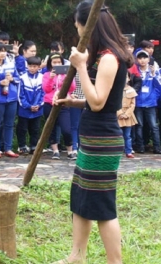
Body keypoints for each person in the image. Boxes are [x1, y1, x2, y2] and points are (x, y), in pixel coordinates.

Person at [53, 1, 135, 263]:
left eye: (77, 28)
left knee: (102, 205)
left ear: (86, 27)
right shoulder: (103, 55)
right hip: (93, 136)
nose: (78, 34)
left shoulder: (109, 57)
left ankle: (115, 261)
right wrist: (72, 102)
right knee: (81, 196)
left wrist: (79, 67)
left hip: (103, 138)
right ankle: (77, 256)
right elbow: (98, 100)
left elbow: (99, 102)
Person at [0, 42, 20, 158]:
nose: (2, 54)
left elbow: (18, 78)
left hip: (11, 97)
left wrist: (12, 79)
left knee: (10, 124)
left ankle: (8, 148)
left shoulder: (10, 64)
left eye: (4, 51)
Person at [42, 53, 76, 160]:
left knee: (66, 129)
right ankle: (55, 151)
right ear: (50, 64)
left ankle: (70, 151)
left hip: (63, 103)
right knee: (51, 128)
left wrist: (67, 77)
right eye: (54, 62)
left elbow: (72, 88)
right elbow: (46, 89)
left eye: (59, 62)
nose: (57, 64)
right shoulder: (47, 74)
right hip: (49, 103)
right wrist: (51, 78)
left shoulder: (67, 74)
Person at [132, 50, 161, 154]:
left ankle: (157, 147)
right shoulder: (135, 72)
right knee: (139, 125)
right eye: (140, 58)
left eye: (145, 58)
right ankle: (140, 147)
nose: (142, 60)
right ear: (137, 59)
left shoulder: (154, 71)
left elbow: (159, 87)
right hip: (138, 102)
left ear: (149, 59)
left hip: (151, 103)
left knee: (154, 126)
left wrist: (154, 97)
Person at [16, 56, 44, 155]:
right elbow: (20, 95)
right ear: (27, 66)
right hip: (24, 109)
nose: (32, 68)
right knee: (22, 129)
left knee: (35, 129)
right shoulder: (22, 77)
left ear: (39, 67)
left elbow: (43, 93)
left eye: (35, 66)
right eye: (30, 66)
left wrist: (39, 105)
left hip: (38, 109)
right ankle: (22, 146)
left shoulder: (42, 77)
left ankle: (33, 146)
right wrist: (28, 106)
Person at [117, 74, 138, 158]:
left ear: (129, 78)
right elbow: (114, 103)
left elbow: (133, 105)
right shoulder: (115, 89)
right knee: (118, 135)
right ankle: (117, 151)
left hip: (128, 116)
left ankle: (128, 151)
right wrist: (120, 113)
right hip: (118, 115)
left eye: (126, 77)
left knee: (127, 135)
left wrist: (126, 114)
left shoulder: (131, 90)